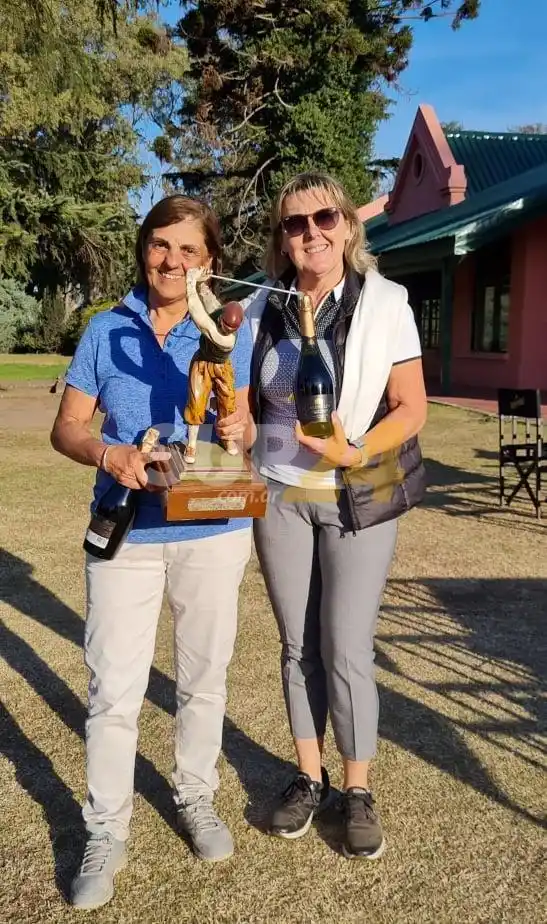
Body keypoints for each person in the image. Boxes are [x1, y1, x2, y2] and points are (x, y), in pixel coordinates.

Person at [50, 195, 253, 910]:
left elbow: (246, 430)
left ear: (210, 260)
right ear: (144, 249)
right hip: (127, 531)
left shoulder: (233, 331)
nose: (171, 261)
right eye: (160, 245)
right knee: (113, 691)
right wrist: (108, 453)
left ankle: (195, 797)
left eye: (187, 249)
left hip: (214, 530)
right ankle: (105, 828)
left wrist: (239, 426)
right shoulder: (106, 330)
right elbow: (67, 427)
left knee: (203, 681)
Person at [243, 172, 428, 860]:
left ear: (347, 226)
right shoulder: (264, 306)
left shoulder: (387, 302)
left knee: (345, 646)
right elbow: (243, 401)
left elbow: (411, 407)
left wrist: (353, 450)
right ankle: (307, 776)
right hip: (280, 493)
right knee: (297, 646)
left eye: (324, 218)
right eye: (295, 223)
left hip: (360, 490)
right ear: (281, 239)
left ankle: (356, 789)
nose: (311, 232)